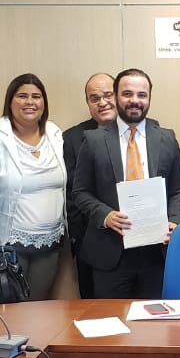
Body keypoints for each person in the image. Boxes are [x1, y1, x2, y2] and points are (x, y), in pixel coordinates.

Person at [70, 69, 180, 298]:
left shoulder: (166, 138)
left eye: (142, 95)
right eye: (127, 94)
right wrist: (105, 215)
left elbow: (177, 190)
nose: (135, 100)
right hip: (110, 253)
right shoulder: (94, 140)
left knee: (154, 318)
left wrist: (174, 220)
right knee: (113, 319)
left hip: (156, 252)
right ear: (116, 97)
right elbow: (81, 192)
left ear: (149, 98)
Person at [0, 74, 67, 301]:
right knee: (12, 310)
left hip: (50, 243)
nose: (30, 102)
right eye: (22, 96)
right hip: (7, 244)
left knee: (40, 307)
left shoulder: (54, 133)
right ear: (10, 101)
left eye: (36, 96)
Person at [63, 73, 116, 298]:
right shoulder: (73, 138)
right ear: (87, 103)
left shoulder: (142, 130)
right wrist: (80, 238)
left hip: (138, 241)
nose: (102, 103)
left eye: (108, 95)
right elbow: (71, 193)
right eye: (94, 98)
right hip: (92, 242)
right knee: (94, 308)